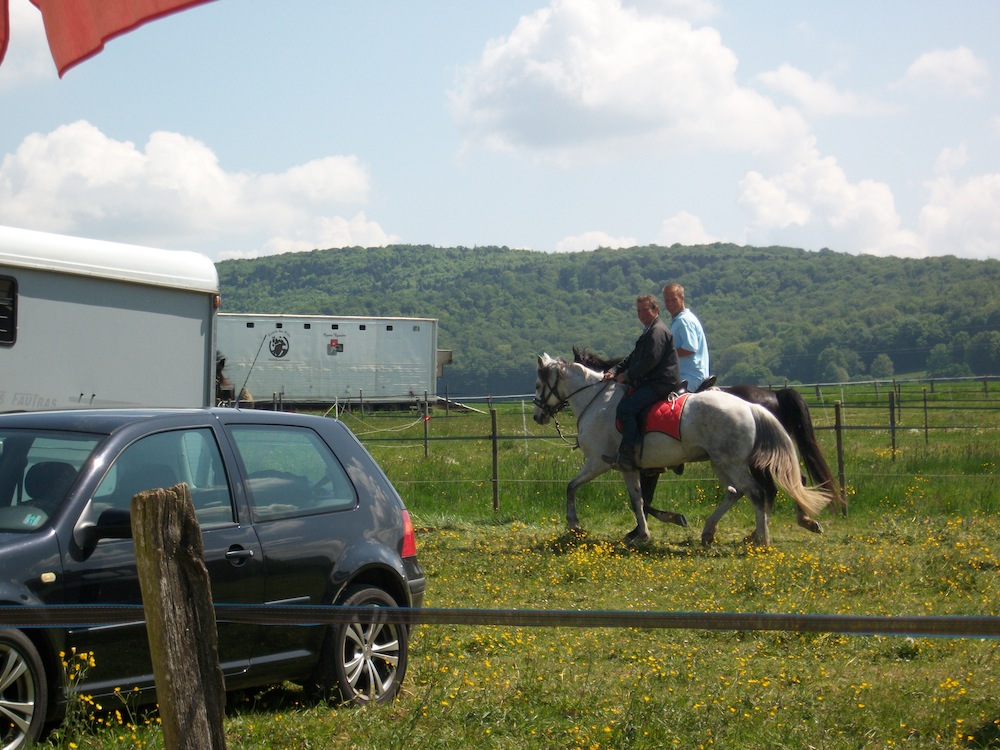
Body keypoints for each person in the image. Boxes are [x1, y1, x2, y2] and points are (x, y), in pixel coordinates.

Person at [601, 295, 682, 471]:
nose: (641, 314)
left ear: (656, 310)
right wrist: (614, 371)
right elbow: (633, 357)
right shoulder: (649, 331)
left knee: (625, 409)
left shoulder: (657, 332)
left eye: (644, 310)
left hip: (660, 383)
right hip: (653, 381)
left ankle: (630, 453)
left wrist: (627, 376)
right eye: (638, 311)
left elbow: (649, 361)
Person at [662, 283, 712, 391]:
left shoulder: (683, 321)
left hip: (690, 377)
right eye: (667, 300)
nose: (670, 303)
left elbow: (690, 348)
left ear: (682, 298)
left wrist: (666, 355)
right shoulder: (682, 319)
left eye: (674, 300)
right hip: (690, 375)